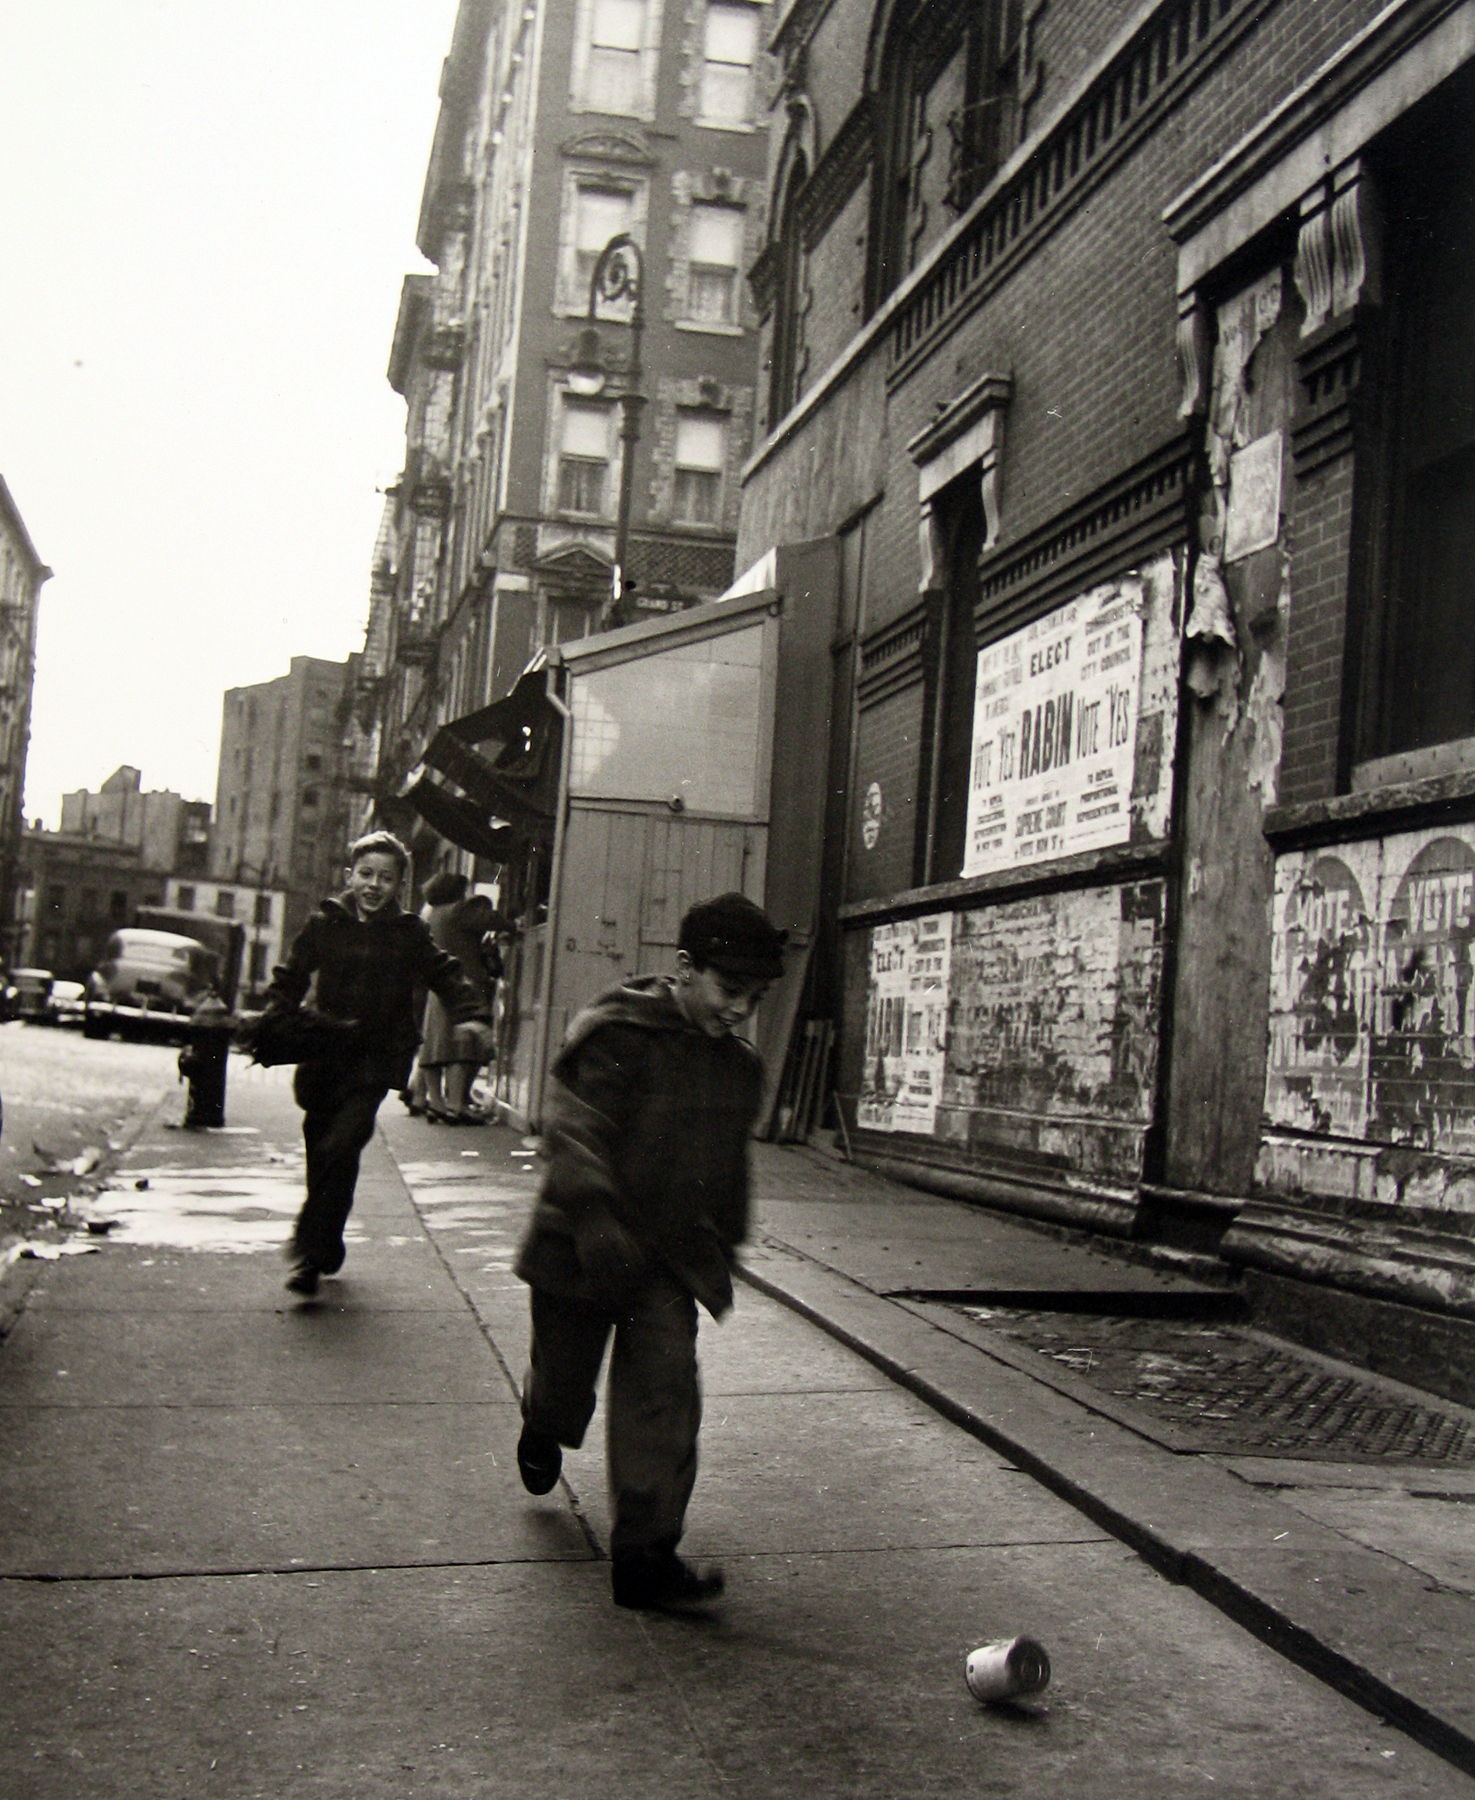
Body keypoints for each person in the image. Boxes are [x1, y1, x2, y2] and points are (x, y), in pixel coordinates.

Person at [514, 891, 787, 1612]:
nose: (739, 1010)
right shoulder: (619, 1033)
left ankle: (645, 1555)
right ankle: (543, 1420)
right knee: (566, 1382)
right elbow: (572, 1129)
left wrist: (723, 1239)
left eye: (753, 999)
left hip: (662, 1258)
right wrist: (597, 1215)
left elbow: (728, 1163)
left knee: (664, 1393)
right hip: (581, 1243)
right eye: (729, 990)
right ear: (684, 968)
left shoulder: (737, 1067)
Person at [260, 830, 482, 1298]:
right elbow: (292, 973)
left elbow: (445, 972)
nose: (373, 885)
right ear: (350, 877)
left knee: (343, 1143)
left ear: (398, 886)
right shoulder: (326, 922)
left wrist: (470, 1015)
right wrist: (276, 1014)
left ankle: (310, 1254)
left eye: (384, 877)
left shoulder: (409, 933)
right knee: (322, 1151)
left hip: (376, 1059)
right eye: (365, 874)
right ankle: (326, 1240)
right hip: (324, 1052)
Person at [418, 878, 501, 1123]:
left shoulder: (432, 913)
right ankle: (456, 1107)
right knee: (460, 1049)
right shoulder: (458, 910)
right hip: (463, 985)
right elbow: (490, 920)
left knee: (434, 1048)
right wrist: (510, 923)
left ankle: (436, 1104)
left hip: (438, 985)